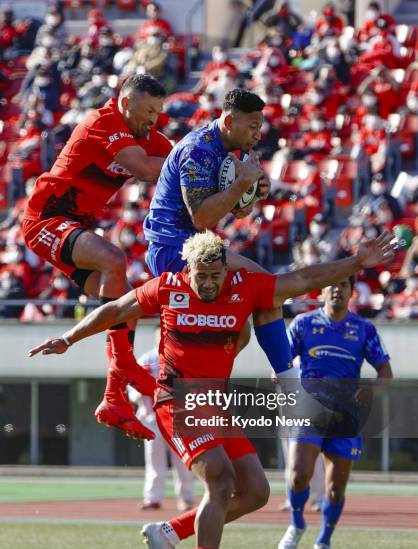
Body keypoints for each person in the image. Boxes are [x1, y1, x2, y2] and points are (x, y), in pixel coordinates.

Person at [29, 229, 394, 549]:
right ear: (188, 269)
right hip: (176, 401)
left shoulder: (245, 287)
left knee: (255, 491)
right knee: (220, 480)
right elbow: (116, 310)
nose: (207, 283)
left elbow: (300, 280)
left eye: (214, 276)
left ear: (226, 269)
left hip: (214, 406)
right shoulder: (167, 287)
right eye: (200, 275)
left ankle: (168, 532)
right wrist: (69, 338)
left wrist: (357, 262)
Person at [22, 74, 173, 439]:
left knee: (126, 302)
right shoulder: (103, 122)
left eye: (158, 112)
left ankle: (113, 399)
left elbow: (185, 157)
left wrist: (234, 179)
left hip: (73, 226)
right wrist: (202, 173)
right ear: (126, 103)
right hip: (46, 219)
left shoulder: (146, 136)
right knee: (114, 259)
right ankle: (124, 363)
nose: (153, 118)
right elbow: (146, 169)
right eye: (148, 110)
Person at [143, 87, 294, 396]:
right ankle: (288, 377)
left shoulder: (228, 150)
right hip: (173, 248)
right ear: (228, 122)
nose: (257, 134)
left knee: (241, 331)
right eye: (252, 126)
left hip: (193, 246)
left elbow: (238, 210)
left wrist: (253, 193)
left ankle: (187, 376)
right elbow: (200, 217)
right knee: (265, 286)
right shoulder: (198, 149)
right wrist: (242, 184)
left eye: (259, 127)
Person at [277, 276, 393, 549]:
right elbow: (281, 364)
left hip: (345, 417)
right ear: (323, 289)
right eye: (333, 284)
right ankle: (296, 523)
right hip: (309, 410)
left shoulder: (364, 329)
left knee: (334, 489)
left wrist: (370, 390)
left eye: (344, 285)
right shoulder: (303, 324)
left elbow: (385, 374)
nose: (337, 289)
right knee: (298, 473)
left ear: (352, 292)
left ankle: (324, 540)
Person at [128, 327, 195, 511]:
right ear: (155, 338)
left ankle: (186, 498)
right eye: (160, 336)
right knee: (154, 459)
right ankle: (152, 498)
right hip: (153, 417)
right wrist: (146, 409)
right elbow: (134, 388)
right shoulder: (147, 360)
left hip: (179, 418)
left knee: (182, 459)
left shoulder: (180, 358)